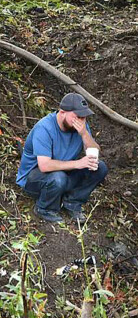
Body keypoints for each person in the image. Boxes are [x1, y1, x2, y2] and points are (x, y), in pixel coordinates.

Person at [16, 93, 108, 223]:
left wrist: (84, 134)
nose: (81, 121)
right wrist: (78, 163)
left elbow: (95, 151)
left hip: (64, 174)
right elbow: (44, 165)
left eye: (84, 117)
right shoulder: (44, 128)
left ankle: (72, 202)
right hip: (35, 180)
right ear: (62, 112)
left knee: (100, 167)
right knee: (58, 177)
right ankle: (45, 208)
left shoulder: (81, 127)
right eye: (77, 116)